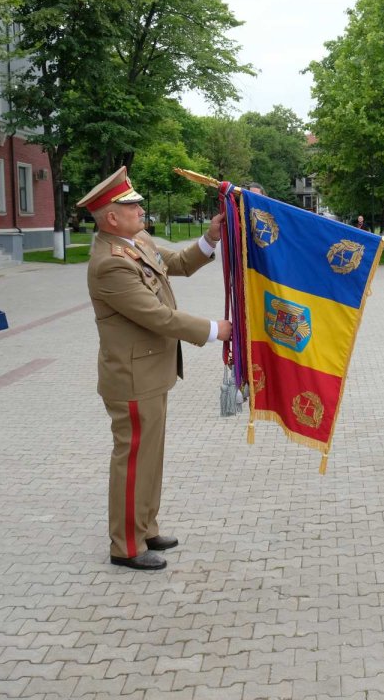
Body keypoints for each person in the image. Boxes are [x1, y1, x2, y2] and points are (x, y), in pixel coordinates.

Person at [79, 166, 232, 571]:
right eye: (131, 206)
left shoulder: (137, 241)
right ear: (111, 218)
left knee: (150, 456)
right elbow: (157, 317)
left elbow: (179, 262)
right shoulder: (109, 264)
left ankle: (146, 527)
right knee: (132, 460)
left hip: (150, 373)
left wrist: (210, 238)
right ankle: (125, 545)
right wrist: (216, 330)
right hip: (131, 378)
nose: (140, 208)